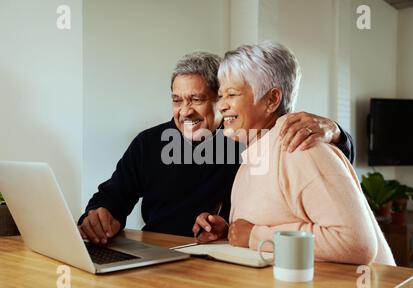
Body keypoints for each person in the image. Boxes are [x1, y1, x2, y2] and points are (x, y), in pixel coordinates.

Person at [78, 51, 355, 245]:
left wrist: (337, 132)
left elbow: (332, 163)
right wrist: (99, 216)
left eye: (196, 99)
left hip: (224, 259)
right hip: (157, 254)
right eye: (177, 100)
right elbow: (112, 196)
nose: (185, 111)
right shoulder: (148, 143)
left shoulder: (246, 137)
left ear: (221, 100)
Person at [193, 42, 395, 265]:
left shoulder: (297, 149)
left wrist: (255, 236)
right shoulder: (252, 159)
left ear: (272, 99)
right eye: (220, 95)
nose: (222, 106)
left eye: (231, 94)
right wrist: (229, 232)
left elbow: (356, 244)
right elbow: (273, 222)